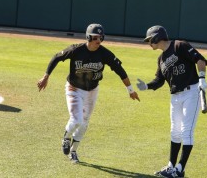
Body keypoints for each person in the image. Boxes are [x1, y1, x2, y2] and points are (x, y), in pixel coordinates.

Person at [37, 23, 140, 163]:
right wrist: (46, 76)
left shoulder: (104, 53)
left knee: (84, 123)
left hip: (92, 91)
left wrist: (130, 90)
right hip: (74, 89)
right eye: (95, 37)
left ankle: (73, 151)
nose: (98, 40)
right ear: (88, 37)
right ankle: (66, 137)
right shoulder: (76, 50)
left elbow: (119, 70)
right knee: (76, 119)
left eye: (101, 37)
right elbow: (56, 57)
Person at [136, 25, 207, 177]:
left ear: (157, 37)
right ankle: (171, 166)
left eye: (150, 40)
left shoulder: (179, 45)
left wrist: (202, 78)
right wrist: (146, 86)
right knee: (175, 132)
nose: (149, 43)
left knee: (186, 132)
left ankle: (180, 169)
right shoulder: (161, 58)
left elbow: (199, 59)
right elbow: (159, 80)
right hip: (175, 96)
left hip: (192, 92)